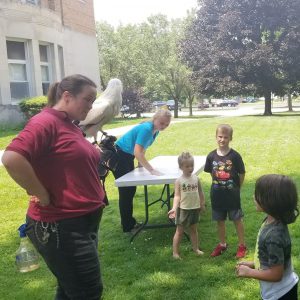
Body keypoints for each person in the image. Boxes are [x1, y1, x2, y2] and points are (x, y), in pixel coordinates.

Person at [2, 74, 106, 300]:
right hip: (61, 226)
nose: (90, 106)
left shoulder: (68, 124)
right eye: (87, 100)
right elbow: (12, 157)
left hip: (81, 222)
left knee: (70, 291)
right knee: (87, 292)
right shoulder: (45, 121)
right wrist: (41, 193)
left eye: (93, 101)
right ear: (67, 96)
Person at [236, 174, 299, 300]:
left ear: (270, 201)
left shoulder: (274, 235)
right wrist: (254, 264)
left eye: (257, 194)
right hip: (280, 290)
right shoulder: (271, 221)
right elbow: (273, 258)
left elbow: (276, 274)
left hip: (280, 293)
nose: (253, 197)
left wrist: (250, 272)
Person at [113, 109, 172, 233]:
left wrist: (140, 165)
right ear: (155, 119)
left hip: (127, 156)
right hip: (119, 156)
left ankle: (129, 222)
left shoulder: (155, 131)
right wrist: (151, 170)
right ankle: (127, 226)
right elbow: (137, 152)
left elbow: (142, 148)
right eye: (162, 123)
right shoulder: (146, 129)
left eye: (166, 124)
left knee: (130, 190)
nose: (164, 126)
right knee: (126, 191)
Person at [204, 124, 246, 258]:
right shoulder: (211, 156)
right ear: (216, 137)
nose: (222, 140)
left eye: (226, 137)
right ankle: (222, 244)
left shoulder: (235, 156)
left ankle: (241, 245)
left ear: (231, 138)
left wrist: (237, 187)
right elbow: (212, 173)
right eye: (220, 137)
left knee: (237, 219)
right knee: (219, 221)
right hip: (217, 195)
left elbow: (241, 173)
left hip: (232, 195)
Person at [168, 152, 206, 259]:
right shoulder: (179, 181)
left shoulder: (196, 179)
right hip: (183, 209)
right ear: (181, 167)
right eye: (187, 166)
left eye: (192, 165)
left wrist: (202, 203)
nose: (190, 168)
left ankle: (196, 248)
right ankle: (175, 253)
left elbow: (200, 192)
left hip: (195, 208)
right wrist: (174, 208)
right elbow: (177, 196)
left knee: (193, 230)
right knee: (179, 232)